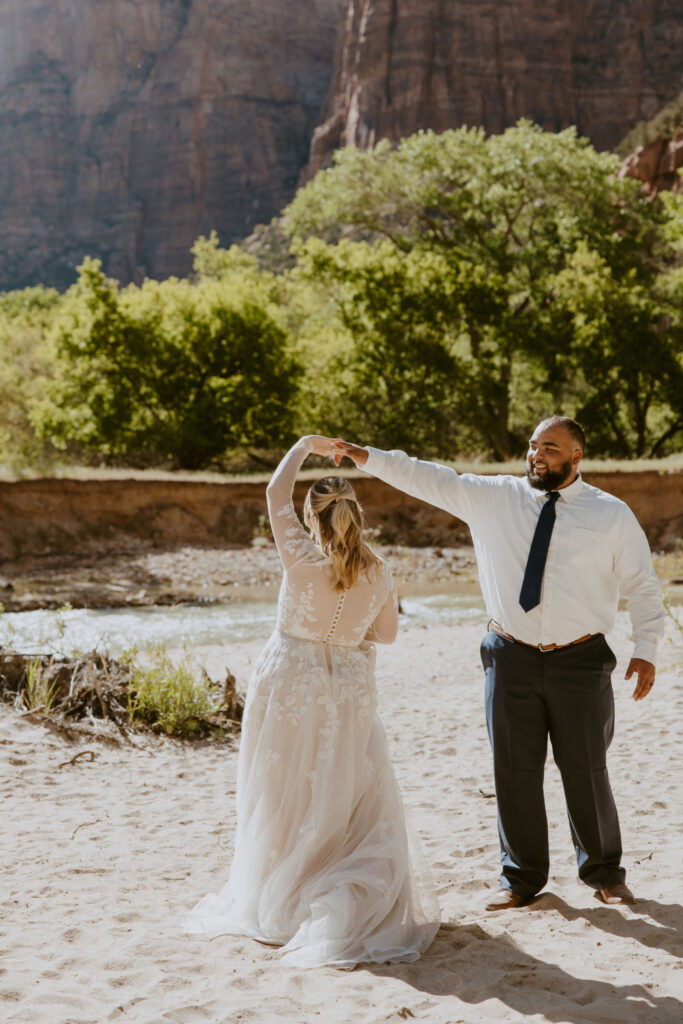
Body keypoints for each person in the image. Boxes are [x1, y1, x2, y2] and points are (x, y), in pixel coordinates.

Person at [332, 416, 665, 911]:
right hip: (510, 657)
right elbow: (430, 476)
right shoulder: (494, 498)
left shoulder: (610, 514)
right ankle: (521, 879)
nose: (537, 456)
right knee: (514, 769)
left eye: (550, 449)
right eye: (533, 446)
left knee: (587, 768)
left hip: (581, 659)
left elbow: (641, 583)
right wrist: (366, 456)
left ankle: (604, 875)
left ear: (576, 458)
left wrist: (645, 649)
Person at [183, 434, 440, 967]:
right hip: (347, 685)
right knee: (345, 783)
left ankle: (283, 887)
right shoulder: (380, 571)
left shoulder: (299, 557)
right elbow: (388, 636)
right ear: (356, 514)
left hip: (290, 682)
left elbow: (275, 492)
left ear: (312, 516)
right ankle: (335, 878)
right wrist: (347, 638)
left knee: (282, 784)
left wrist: (304, 445)